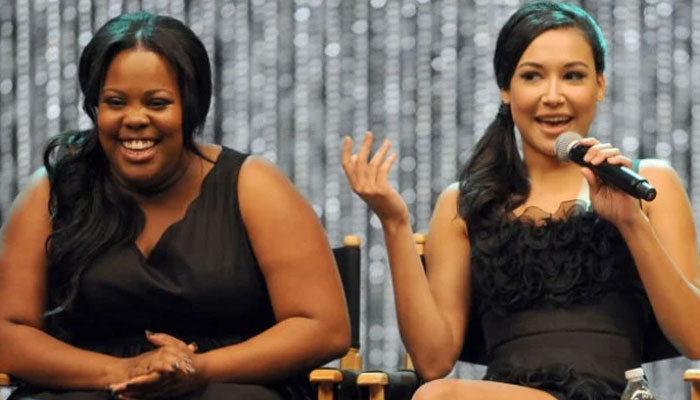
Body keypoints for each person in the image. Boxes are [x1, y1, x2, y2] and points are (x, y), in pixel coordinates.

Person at [342, 1, 700, 399]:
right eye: (532, 76)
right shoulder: (464, 204)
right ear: (506, 89)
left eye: (573, 76)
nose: (553, 96)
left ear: (600, 84)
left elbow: (695, 338)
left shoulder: (648, 183)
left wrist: (631, 221)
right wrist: (394, 222)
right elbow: (432, 360)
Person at [0, 12, 350, 400]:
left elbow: (324, 328)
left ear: (190, 107)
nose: (135, 119)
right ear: (95, 107)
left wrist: (199, 369)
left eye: (157, 103)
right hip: (89, 387)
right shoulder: (50, 192)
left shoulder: (253, 185)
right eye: (115, 102)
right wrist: (124, 371)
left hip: (229, 386)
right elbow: (8, 332)